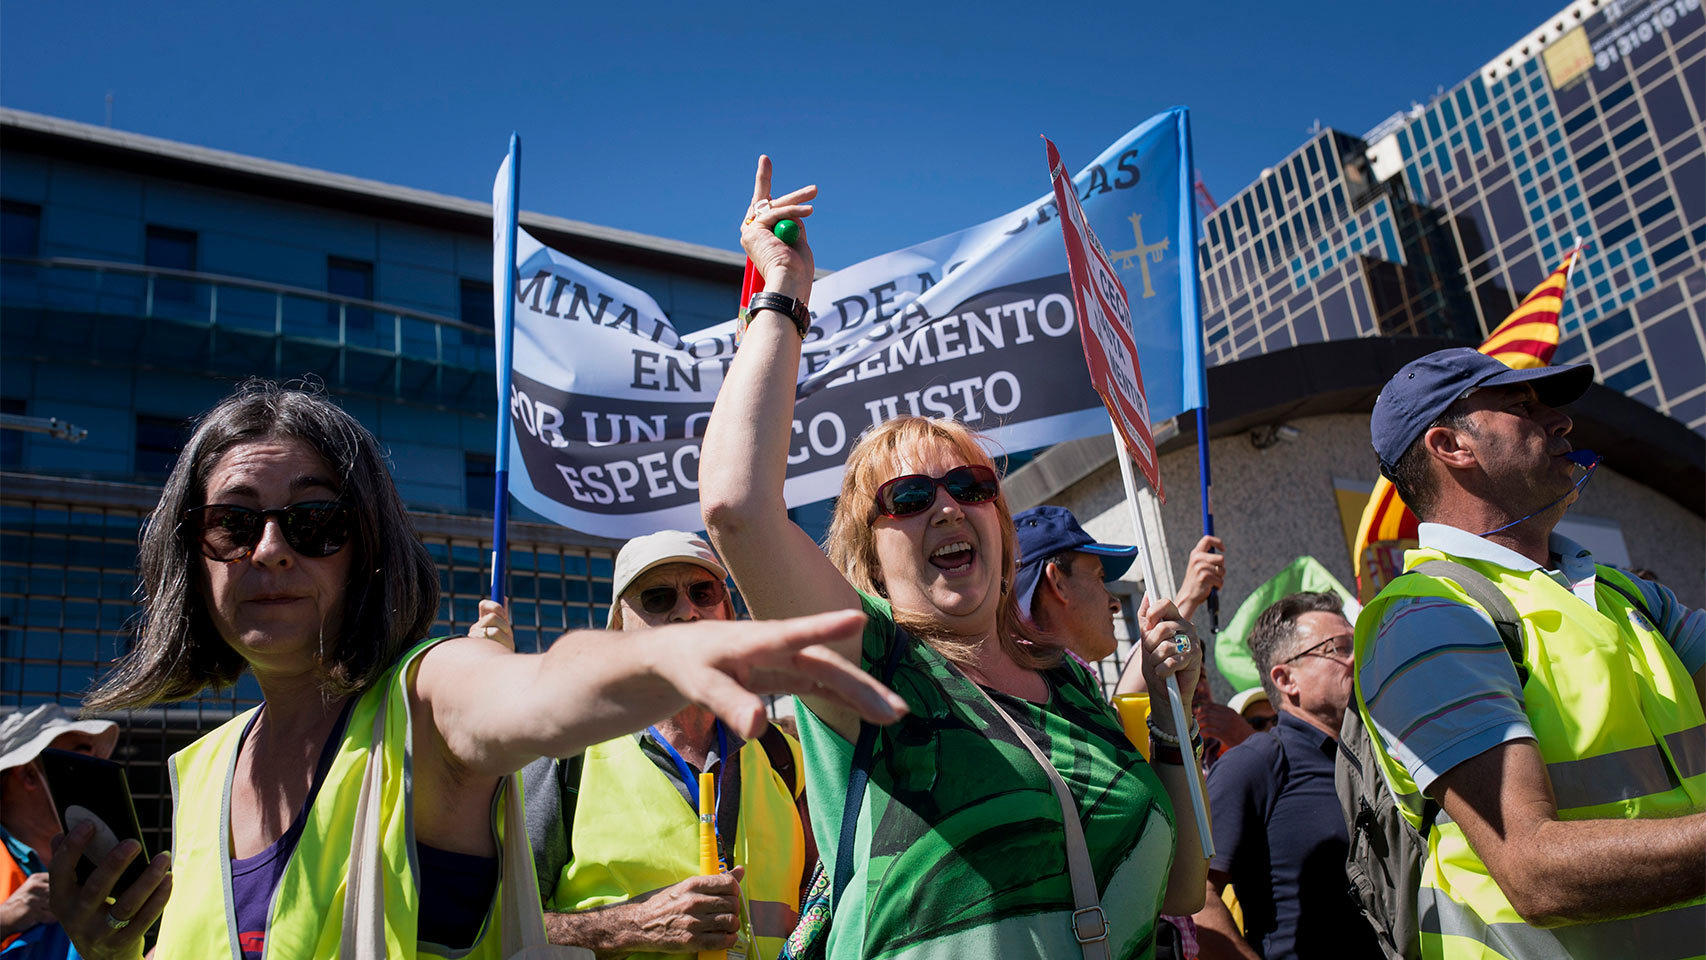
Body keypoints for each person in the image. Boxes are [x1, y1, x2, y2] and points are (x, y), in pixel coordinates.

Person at [47, 381, 905, 960]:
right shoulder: (196, 772)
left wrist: (659, 657)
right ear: (192, 557)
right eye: (233, 524)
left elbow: (529, 688)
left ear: (368, 549)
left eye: (313, 520)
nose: (270, 550)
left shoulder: (422, 697)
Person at [698, 156, 1209, 958]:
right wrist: (784, 292)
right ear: (867, 558)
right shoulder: (866, 664)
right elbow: (735, 504)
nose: (944, 505)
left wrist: (1174, 724)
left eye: (970, 485)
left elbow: (1177, 891)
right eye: (905, 498)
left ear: (1001, 526)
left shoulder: (1070, 683)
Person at [1354, 348, 1706, 959]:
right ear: (1451, 446)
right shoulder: (1428, 614)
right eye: (1522, 406)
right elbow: (1535, 872)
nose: (1562, 422)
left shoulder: (1622, 593)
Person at [518, 530, 813, 960]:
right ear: (619, 628)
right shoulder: (566, 753)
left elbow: (825, 908)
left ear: (727, 614)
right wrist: (632, 925)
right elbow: (500, 926)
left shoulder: (785, 757)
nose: (686, 612)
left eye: (702, 592)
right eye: (657, 598)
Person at [1191, 592, 1382, 960]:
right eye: (1337, 648)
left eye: (1357, 643)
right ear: (1285, 678)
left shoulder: (1375, 758)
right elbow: (1194, 902)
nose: (1356, 658)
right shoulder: (1255, 764)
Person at [0, 705, 119, 957]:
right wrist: (4, 920)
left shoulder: (99, 864)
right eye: (80, 759)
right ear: (30, 774)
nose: (95, 774)